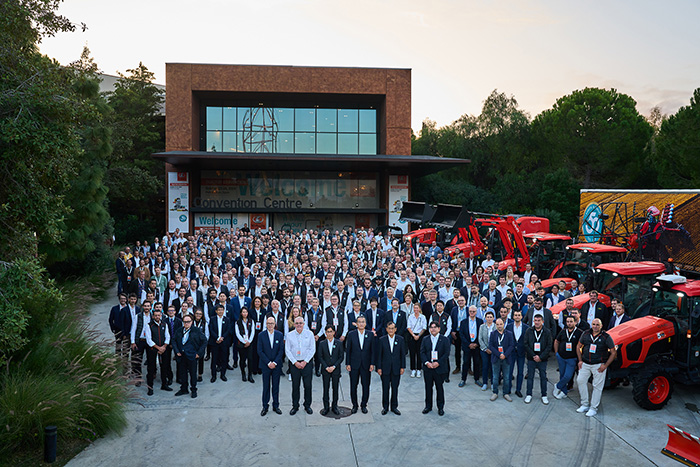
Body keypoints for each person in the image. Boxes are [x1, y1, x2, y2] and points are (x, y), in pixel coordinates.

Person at [576, 318, 617, 417]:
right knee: (580, 380)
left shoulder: (606, 337)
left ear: (601, 326)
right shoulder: (585, 334)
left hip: (599, 365)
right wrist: (580, 360)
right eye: (594, 324)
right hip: (585, 363)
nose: (595, 326)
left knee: (597, 386)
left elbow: (613, 352)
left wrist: (606, 365)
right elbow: (578, 346)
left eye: (597, 325)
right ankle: (584, 404)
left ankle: (593, 408)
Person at [285, 316, 316, 415]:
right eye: (297, 323)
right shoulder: (289, 335)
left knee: (307, 386)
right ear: (294, 324)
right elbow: (287, 350)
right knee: (295, 386)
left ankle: (307, 406)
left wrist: (305, 361)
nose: (299, 325)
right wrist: (295, 362)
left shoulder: (309, 334)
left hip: (306, 363)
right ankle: (295, 406)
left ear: (304, 324)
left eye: (300, 323)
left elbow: (312, 349)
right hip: (294, 364)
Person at [345, 315, 375, 414]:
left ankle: (363, 405)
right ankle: (354, 405)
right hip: (354, 364)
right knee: (353, 385)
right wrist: (347, 363)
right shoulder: (351, 334)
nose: (361, 324)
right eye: (359, 322)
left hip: (366, 365)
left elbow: (372, 351)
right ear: (356, 324)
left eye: (363, 322)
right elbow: (348, 350)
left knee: (365, 385)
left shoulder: (370, 334)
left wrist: (372, 363)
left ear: (365, 324)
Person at [172, 314, 207, 398]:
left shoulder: (196, 330)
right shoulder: (179, 330)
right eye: (185, 322)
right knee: (183, 373)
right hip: (182, 355)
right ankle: (184, 389)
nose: (186, 323)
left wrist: (199, 353)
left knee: (193, 374)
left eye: (188, 322)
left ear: (192, 322)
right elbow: (173, 340)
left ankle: (193, 389)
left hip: (192, 355)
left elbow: (204, 341)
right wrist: (176, 351)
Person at [376, 321, 406, 415]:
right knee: (385, 388)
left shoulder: (400, 339)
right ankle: (385, 407)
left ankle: (394, 407)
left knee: (395, 388)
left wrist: (402, 367)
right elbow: (379, 355)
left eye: (393, 328)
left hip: (396, 368)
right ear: (386, 329)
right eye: (389, 328)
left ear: (395, 329)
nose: (391, 330)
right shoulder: (382, 340)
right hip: (385, 369)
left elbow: (402, 354)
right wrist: (379, 368)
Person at [420, 321, 450, 415]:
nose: (433, 329)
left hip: (439, 368)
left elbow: (446, 353)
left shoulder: (444, 339)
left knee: (439, 388)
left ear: (439, 329)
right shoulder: (425, 339)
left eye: (435, 327)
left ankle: (440, 407)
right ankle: (428, 406)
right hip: (428, 368)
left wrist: (438, 363)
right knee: (428, 388)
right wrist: (426, 362)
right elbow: (422, 352)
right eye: (431, 327)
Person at [523, 314, 553, 404]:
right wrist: (533, 356)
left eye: (539, 320)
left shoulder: (547, 332)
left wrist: (540, 357)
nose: (537, 322)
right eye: (535, 320)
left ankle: (544, 395)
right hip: (531, 358)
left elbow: (549, 346)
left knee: (543, 377)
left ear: (542, 322)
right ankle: (529, 394)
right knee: (530, 377)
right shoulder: (529, 331)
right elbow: (526, 344)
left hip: (542, 359)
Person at [258, 317, 284, 416]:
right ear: (266, 324)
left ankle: (276, 405)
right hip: (266, 365)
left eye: (272, 323)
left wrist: (275, 363)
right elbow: (260, 351)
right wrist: (269, 363)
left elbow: (281, 350)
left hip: (276, 366)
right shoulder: (261, 335)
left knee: (276, 386)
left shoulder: (279, 335)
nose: (270, 325)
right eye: (268, 323)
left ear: (275, 324)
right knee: (266, 386)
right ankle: (265, 406)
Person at [553, 315, 583, 400]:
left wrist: (580, 358)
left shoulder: (579, 332)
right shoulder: (563, 331)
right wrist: (556, 353)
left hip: (572, 358)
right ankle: (564, 392)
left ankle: (558, 386)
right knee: (562, 375)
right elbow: (556, 341)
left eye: (571, 321)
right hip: (561, 357)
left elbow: (582, 346)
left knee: (568, 376)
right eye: (568, 322)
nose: (569, 323)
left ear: (575, 322)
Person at [144, 308, 172, 395]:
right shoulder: (149, 325)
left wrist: (164, 347)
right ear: (153, 316)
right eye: (155, 315)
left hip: (164, 349)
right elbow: (149, 340)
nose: (157, 317)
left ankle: (164, 384)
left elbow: (168, 336)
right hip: (152, 350)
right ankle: (150, 387)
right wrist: (158, 348)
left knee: (164, 367)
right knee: (151, 368)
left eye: (158, 315)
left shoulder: (164, 324)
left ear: (161, 316)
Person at [319, 326, 344, 415]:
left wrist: (334, 366)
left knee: (335, 389)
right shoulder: (322, 343)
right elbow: (320, 357)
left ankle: (334, 406)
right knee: (326, 389)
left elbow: (341, 357)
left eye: (331, 331)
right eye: (327, 332)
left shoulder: (339, 343)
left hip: (335, 370)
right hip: (325, 370)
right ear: (325, 333)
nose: (329, 333)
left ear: (334, 332)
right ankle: (326, 407)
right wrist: (326, 367)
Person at [488, 318, 515, 402]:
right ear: (495, 325)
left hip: (506, 359)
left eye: (501, 324)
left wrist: (505, 355)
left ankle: (505, 393)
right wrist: (499, 354)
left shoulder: (509, 334)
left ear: (504, 324)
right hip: (496, 358)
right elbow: (491, 346)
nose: (499, 326)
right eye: (497, 324)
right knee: (495, 377)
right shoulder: (493, 334)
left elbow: (511, 345)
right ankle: (495, 392)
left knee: (506, 377)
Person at [506, 310, 529, 398]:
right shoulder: (508, 326)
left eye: (519, 315)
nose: (517, 316)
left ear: (521, 317)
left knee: (520, 372)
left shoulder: (526, 327)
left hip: (521, 352)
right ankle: (508, 389)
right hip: (511, 353)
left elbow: (527, 340)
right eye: (515, 315)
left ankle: (518, 390)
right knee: (509, 371)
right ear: (513, 317)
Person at [458, 305, 483, 387]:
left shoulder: (480, 321)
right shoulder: (463, 322)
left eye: (474, 311)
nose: (472, 313)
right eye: (470, 311)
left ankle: (476, 379)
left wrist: (476, 344)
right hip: (467, 346)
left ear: (476, 312)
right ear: (468, 312)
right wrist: (469, 344)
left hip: (476, 346)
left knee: (476, 363)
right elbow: (461, 334)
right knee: (465, 363)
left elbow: (481, 334)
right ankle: (463, 379)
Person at [208, 304, 232, 383]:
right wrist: (217, 338)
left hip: (224, 342)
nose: (220, 311)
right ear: (216, 311)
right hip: (215, 342)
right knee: (214, 360)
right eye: (219, 310)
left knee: (224, 359)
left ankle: (223, 375)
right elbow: (211, 330)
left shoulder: (227, 319)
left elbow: (228, 330)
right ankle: (213, 376)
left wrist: (222, 338)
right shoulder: (212, 319)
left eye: (222, 310)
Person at [235, 306, 256, 383]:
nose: (245, 313)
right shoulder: (237, 322)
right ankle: (243, 374)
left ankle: (250, 375)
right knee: (242, 359)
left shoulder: (251, 321)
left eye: (246, 312)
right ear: (241, 313)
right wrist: (244, 342)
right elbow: (237, 334)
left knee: (250, 359)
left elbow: (253, 332)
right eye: (243, 312)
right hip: (241, 344)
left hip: (249, 343)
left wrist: (249, 341)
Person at [406, 302, 427, 377]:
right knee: (412, 353)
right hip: (412, 335)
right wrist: (413, 335)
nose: (416, 309)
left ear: (420, 309)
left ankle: (419, 369)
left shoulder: (423, 317)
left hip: (420, 335)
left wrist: (418, 335)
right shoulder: (410, 316)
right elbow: (408, 327)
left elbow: (424, 328)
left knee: (419, 353)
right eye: (414, 308)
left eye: (417, 308)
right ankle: (413, 369)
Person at [478, 311, 496, 391]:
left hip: (493, 351)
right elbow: (480, 338)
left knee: (493, 367)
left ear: (493, 318)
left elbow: (498, 339)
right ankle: (485, 383)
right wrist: (485, 348)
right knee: (485, 366)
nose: (489, 318)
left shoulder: (496, 326)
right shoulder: (482, 326)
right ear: (485, 318)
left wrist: (492, 349)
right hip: (484, 350)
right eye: (487, 317)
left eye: (490, 317)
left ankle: (492, 383)